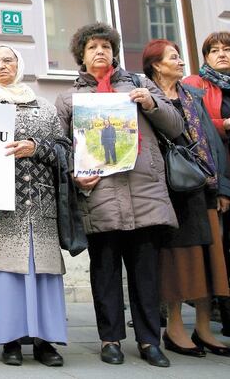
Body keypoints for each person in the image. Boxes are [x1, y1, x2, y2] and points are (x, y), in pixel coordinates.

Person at [55, 22, 181, 368]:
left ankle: (148, 341)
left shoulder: (140, 84)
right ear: (81, 55)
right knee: (105, 272)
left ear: (114, 52)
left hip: (145, 194)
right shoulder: (69, 98)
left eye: (106, 47)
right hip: (100, 198)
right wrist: (74, 175)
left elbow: (177, 126)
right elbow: (62, 148)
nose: (101, 52)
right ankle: (110, 339)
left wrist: (152, 103)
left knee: (145, 274)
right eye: (93, 47)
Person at [0, 45, 68, 367]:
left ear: (19, 64)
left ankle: (45, 341)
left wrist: (36, 148)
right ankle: (10, 341)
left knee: (42, 273)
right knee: (4, 273)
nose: (2, 66)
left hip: (39, 206)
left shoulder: (44, 107)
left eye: (8, 60)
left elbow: (64, 152)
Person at [142, 39, 230, 357]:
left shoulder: (192, 95)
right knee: (177, 263)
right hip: (166, 190)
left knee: (208, 260)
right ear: (156, 64)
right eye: (174, 58)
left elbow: (210, 141)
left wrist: (221, 188)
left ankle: (204, 328)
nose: (181, 62)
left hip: (200, 186)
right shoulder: (145, 98)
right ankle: (176, 329)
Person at [183, 31, 230, 337]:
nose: (222, 54)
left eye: (227, 49)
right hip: (217, 172)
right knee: (222, 247)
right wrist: (223, 124)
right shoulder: (195, 85)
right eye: (214, 50)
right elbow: (194, 125)